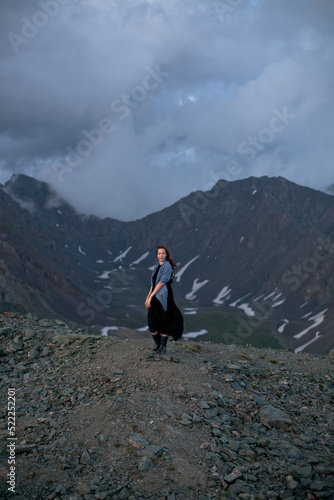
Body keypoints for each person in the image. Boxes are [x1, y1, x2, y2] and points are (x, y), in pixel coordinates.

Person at [145, 244, 183, 354]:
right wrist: (148, 297)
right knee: (152, 321)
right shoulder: (157, 266)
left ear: (166, 254)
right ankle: (157, 344)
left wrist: (152, 296)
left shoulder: (167, 266)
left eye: (163, 253)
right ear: (157, 255)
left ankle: (163, 347)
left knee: (164, 319)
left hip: (163, 296)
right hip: (154, 294)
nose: (161, 255)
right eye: (159, 253)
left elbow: (161, 283)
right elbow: (153, 283)